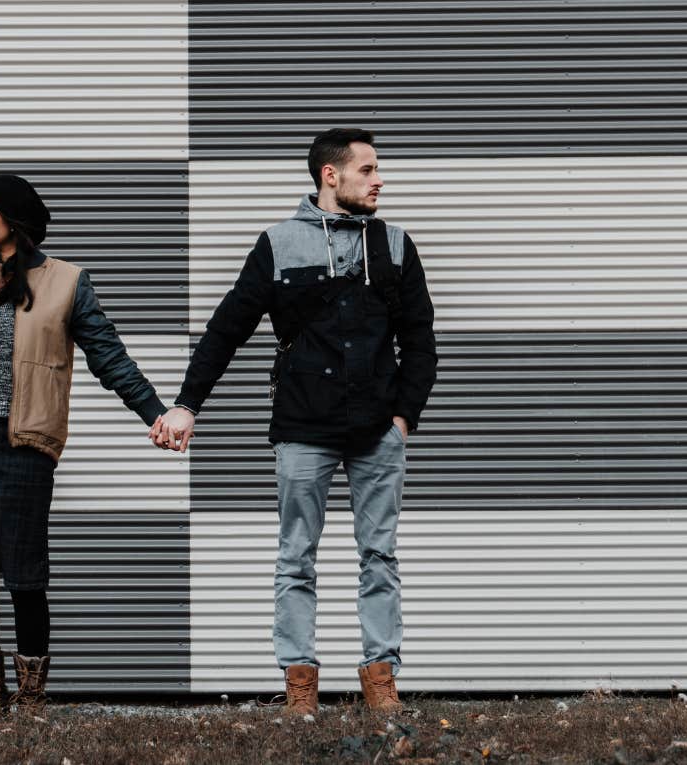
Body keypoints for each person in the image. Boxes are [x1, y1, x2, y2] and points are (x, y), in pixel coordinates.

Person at [151, 128, 438, 715]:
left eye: (377, 169)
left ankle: (381, 681)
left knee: (378, 554)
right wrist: (186, 403)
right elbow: (227, 328)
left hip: (376, 431)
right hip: (303, 427)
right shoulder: (279, 244)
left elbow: (422, 341)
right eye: (367, 169)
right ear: (330, 176)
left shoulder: (397, 245)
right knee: (296, 555)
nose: (379, 179)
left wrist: (403, 417)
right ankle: (299, 685)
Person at [0, 174, 167, 717]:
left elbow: (110, 358)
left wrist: (156, 412)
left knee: (26, 577)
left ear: (13, 217)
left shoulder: (67, 282)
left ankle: (30, 701)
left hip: (25, 446)